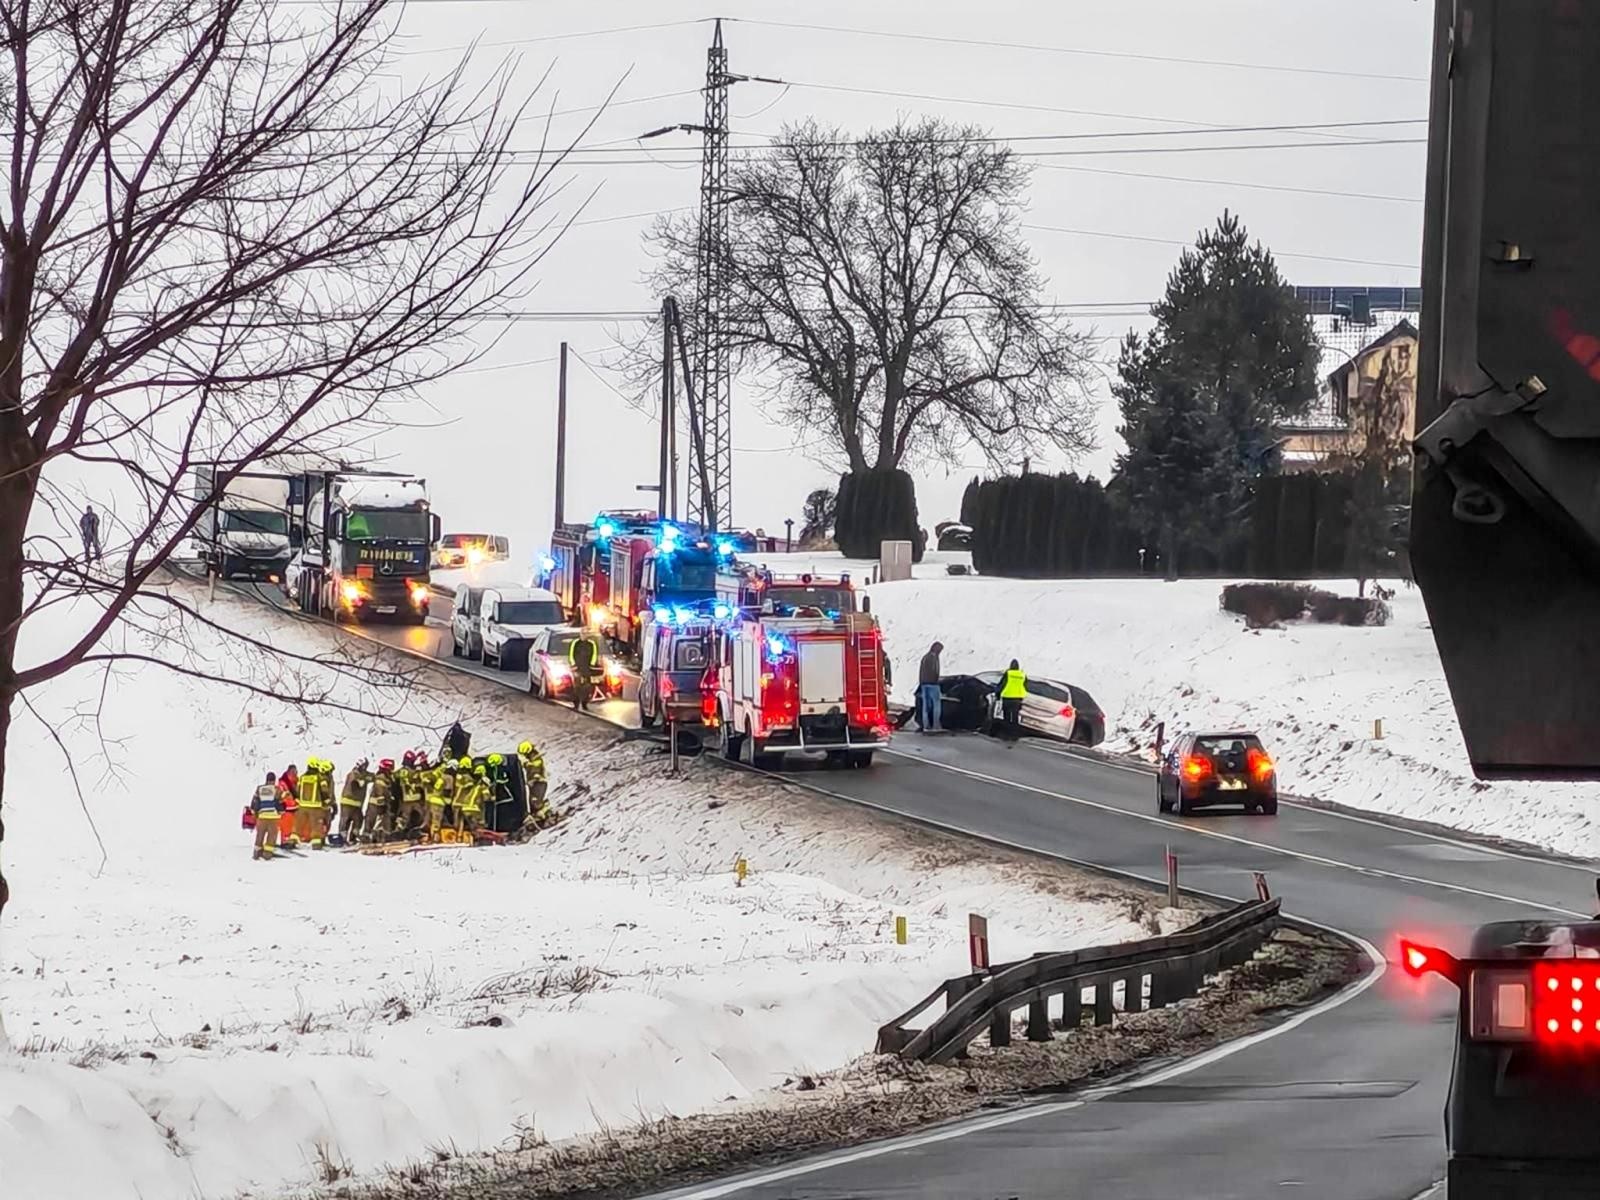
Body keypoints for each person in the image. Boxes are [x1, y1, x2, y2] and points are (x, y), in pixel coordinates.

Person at [334, 758, 372, 843]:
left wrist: (370, 777)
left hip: (357, 804)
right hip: (348, 802)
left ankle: (353, 838)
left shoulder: (361, 774)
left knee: (358, 820)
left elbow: (371, 777)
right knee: (345, 821)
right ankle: (341, 839)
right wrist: (367, 778)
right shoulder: (353, 774)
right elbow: (360, 783)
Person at [298, 757, 329, 848]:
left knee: (299, 824)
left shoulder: (302, 777)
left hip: (303, 805)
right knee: (316, 826)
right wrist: (327, 801)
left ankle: (293, 840)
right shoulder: (320, 777)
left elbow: (298, 789)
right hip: (315, 806)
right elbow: (324, 791)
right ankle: (316, 844)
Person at [250, 771, 282, 860]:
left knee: (259, 835)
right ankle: (267, 854)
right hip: (273, 817)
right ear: (274, 780)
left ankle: (256, 853)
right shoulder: (277, 790)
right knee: (272, 836)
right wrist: (281, 811)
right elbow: (280, 803)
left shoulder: (259, 789)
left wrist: (255, 813)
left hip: (262, 817)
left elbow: (255, 803)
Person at [568, 629, 602, 711]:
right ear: (580, 634)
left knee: (587, 686)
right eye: (583, 633)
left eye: (586, 634)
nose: (584, 635)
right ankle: (576, 704)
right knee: (577, 686)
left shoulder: (591, 643)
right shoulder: (575, 642)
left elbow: (594, 654)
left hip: (587, 668)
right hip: (577, 668)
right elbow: (571, 654)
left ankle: (584, 703)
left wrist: (592, 665)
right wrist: (573, 665)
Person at [365, 759, 396, 841]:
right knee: (373, 822)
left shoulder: (387, 778)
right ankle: (368, 839)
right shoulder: (380, 778)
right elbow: (380, 792)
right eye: (390, 768)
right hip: (376, 805)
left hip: (383, 805)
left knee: (384, 824)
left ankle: (382, 838)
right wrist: (381, 805)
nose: (391, 771)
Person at [917, 641, 944, 733]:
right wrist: (937, 680)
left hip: (924, 684)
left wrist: (921, 683)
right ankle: (936, 725)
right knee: (936, 705)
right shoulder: (934, 658)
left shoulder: (925, 657)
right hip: (933, 684)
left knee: (926, 706)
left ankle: (926, 725)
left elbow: (921, 672)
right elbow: (935, 671)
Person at [517, 740, 549, 818]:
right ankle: (537, 815)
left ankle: (543, 816)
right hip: (535, 784)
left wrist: (532, 779)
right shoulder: (532, 759)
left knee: (535, 801)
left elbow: (534, 770)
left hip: (539, 783)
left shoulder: (536, 761)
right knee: (532, 802)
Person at [455, 764, 487, 839]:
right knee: (480, 823)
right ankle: (478, 838)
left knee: (465, 823)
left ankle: (460, 837)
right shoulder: (482, 787)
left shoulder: (471, 786)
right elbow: (486, 797)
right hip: (474, 809)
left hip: (465, 807)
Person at [999, 659, 1027, 741]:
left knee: (1006, 717)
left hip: (1007, 698)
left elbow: (1002, 685)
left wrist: (998, 694)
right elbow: (1025, 687)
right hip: (1017, 699)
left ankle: (1006, 735)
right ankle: (1014, 735)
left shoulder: (1008, 674)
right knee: (1015, 718)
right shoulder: (1022, 675)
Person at [277, 763, 301, 846]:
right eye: (293, 771)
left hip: (296, 808)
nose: (295, 773)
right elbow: (284, 796)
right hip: (287, 808)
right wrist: (293, 802)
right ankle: (285, 840)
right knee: (286, 825)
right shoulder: (283, 783)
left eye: (296, 771)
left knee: (293, 826)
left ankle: (291, 840)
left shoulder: (297, 781)